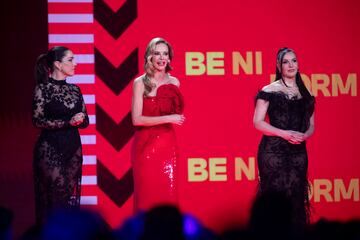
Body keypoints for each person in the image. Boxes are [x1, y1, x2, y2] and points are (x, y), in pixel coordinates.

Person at [253, 47, 315, 228]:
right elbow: (257, 122)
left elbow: (311, 125)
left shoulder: (306, 91)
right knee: (274, 202)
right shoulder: (269, 90)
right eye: (286, 62)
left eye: (294, 61)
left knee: (297, 199)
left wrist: (305, 135)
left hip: (298, 152)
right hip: (273, 151)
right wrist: (284, 133)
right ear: (279, 66)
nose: (291, 65)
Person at [32, 46, 89, 224]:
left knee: (66, 201)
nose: (75, 63)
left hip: (73, 148)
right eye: (70, 60)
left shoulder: (75, 90)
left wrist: (81, 119)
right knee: (55, 198)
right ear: (57, 64)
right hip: (50, 149)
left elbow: (85, 121)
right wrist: (68, 122)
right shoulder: (42, 89)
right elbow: (37, 120)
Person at [131, 37, 185, 211]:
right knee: (146, 196)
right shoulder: (139, 83)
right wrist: (168, 119)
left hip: (167, 146)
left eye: (165, 54)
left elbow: (175, 111)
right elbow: (137, 119)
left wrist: (171, 117)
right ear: (149, 57)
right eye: (157, 53)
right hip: (145, 146)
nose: (162, 58)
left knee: (168, 197)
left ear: (169, 58)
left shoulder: (174, 82)